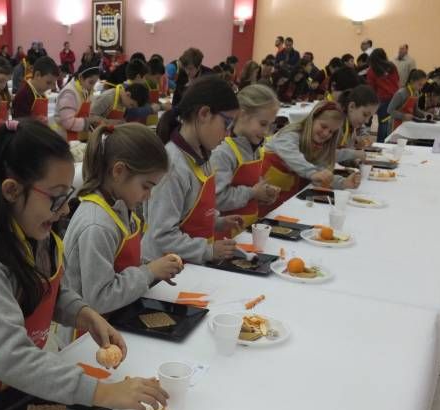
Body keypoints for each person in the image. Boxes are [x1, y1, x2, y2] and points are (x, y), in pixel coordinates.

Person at [0, 119, 168, 410]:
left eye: (67, 197)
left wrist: (84, 314)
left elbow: (49, 289)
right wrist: (103, 392)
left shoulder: (39, 232)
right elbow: (11, 358)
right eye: (56, 198)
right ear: (12, 191)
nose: (65, 210)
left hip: (12, 388)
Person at [63, 123, 178, 322]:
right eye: (146, 186)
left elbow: (120, 265)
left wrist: (153, 268)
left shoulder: (122, 207)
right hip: (86, 335)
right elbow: (98, 298)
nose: (149, 196)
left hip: (117, 319)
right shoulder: (97, 225)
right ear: (119, 171)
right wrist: (148, 273)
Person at [143, 76, 241, 263]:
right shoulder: (172, 166)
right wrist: (208, 251)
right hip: (165, 272)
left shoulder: (203, 154)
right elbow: (162, 235)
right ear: (204, 114)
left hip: (189, 264)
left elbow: (191, 210)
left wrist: (217, 221)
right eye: (227, 124)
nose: (228, 134)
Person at [262, 101, 360, 203]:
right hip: (265, 193)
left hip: (286, 196)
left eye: (331, 131)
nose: (326, 133)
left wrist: (343, 182)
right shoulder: (290, 134)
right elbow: (294, 157)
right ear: (312, 119)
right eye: (323, 126)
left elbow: (319, 172)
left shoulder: (318, 146)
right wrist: (312, 173)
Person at [211, 84, 281, 227]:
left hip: (247, 228)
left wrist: (264, 193)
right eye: (262, 124)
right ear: (242, 114)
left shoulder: (255, 148)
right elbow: (216, 198)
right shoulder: (223, 151)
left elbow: (250, 185)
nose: (267, 131)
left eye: (270, 125)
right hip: (226, 233)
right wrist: (252, 193)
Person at [52, 64, 102, 142]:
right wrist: (89, 122)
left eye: (95, 83)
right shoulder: (69, 93)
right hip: (66, 138)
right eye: (91, 82)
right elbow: (67, 122)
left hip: (80, 137)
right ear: (81, 78)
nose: (92, 87)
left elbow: (87, 114)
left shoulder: (86, 91)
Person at [335, 84, 378, 163]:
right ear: (351, 106)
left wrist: (354, 160)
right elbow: (325, 154)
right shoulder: (335, 123)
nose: (367, 121)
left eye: (370, 117)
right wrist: (354, 154)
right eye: (365, 114)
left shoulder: (350, 124)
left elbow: (345, 151)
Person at [366, 48, 400, 141]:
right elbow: (397, 80)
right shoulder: (392, 67)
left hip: (383, 99)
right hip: (396, 98)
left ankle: (381, 144)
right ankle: (390, 142)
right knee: (392, 124)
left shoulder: (372, 70)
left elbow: (371, 87)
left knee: (383, 124)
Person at [11, 56, 59, 122]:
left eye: (53, 83)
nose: (52, 87)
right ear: (37, 75)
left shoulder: (41, 92)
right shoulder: (24, 94)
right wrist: (36, 120)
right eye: (48, 82)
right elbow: (19, 123)